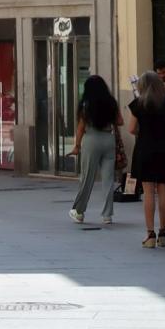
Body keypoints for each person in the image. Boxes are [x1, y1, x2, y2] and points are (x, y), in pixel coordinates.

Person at [129, 70, 165, 247]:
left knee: (148, 191)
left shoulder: (138, 104)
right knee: (163, 188)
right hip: (164, 148)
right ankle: (163, 233)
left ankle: (150, 234)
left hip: (145, 147)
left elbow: (131, 129)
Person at [69, 75, 123, 225]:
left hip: (91, 139)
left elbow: (80, 128)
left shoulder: (86, 105)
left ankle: (79, 211)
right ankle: (107, 215)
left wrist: (77, 146)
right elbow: (120, 121)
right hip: (108, 139)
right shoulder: (111, 102)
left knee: (87, 177)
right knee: (108, 179)